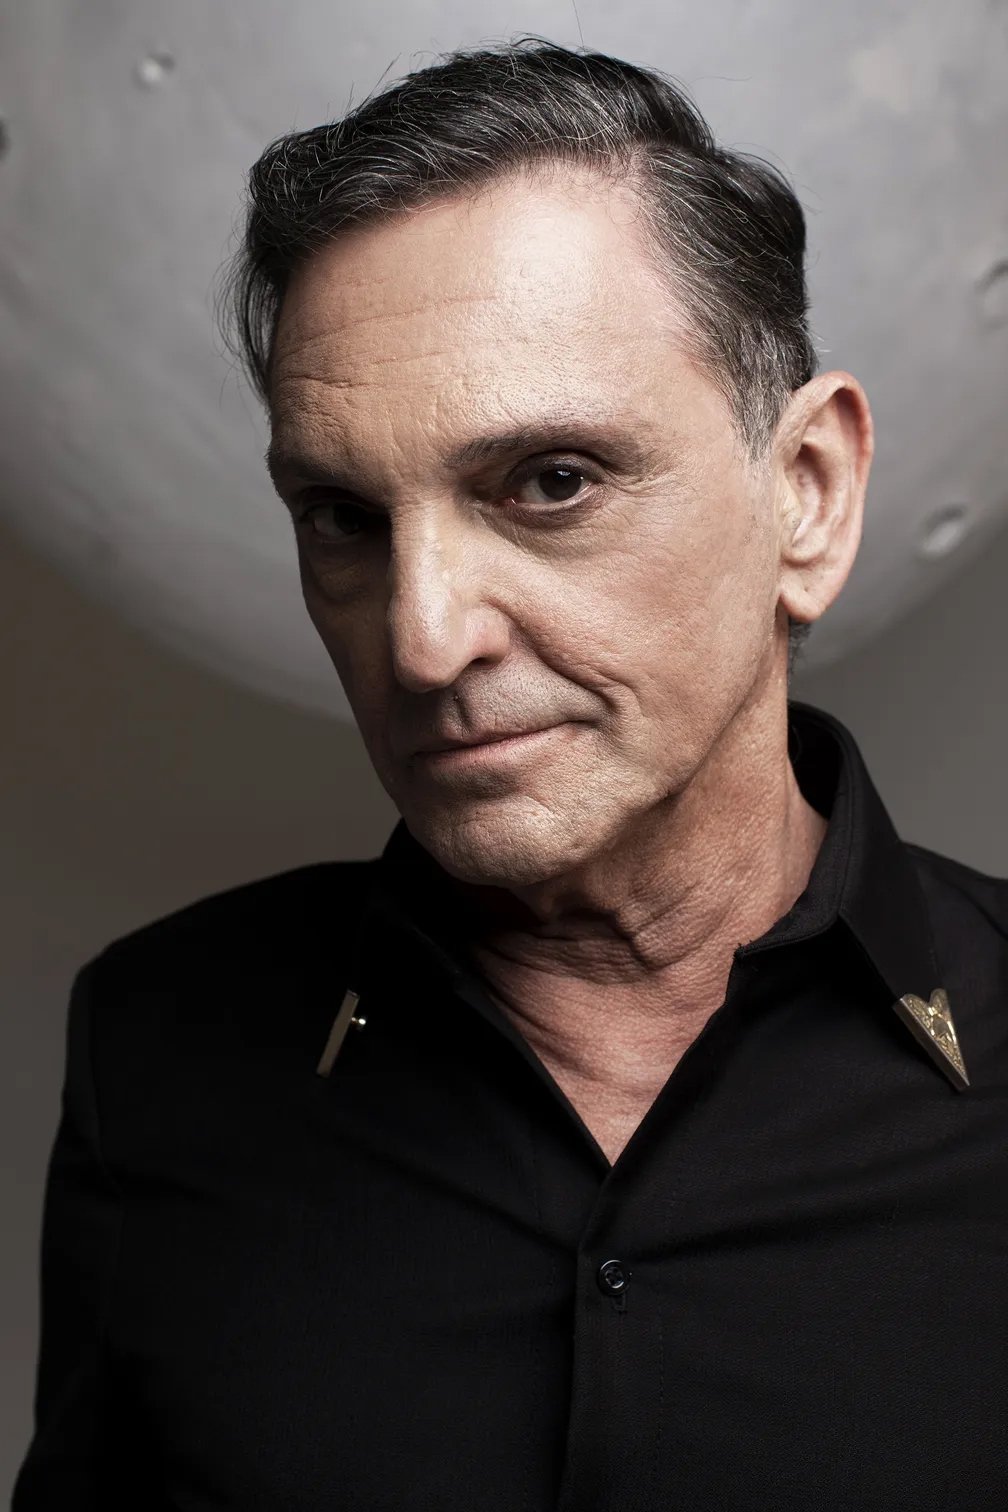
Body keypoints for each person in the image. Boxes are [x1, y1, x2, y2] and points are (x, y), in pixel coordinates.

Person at [13, 37, 1008, 1512]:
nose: (422, 642)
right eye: (344, 517)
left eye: (550, 483)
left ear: (807, 495)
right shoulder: (156, 1050)